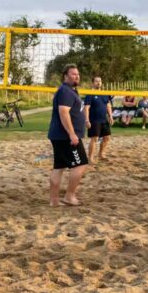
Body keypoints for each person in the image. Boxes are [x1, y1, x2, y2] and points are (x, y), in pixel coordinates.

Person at [48, 65, 89, 207]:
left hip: (59, 135)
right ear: (65, 76)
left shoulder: (70, 90)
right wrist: (72, 134)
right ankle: (69, 196)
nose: (76, 76)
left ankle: (54, 200)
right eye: (73, 74)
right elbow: (63, 112)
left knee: (59, 167)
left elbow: (73, 111)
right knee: (81, 164)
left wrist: (85, 121)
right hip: (66, 137)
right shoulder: (65, 91)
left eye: (78, 74)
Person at [84, 75, 114, 162]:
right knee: (95, 139)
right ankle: (90, 157)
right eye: (96, 81)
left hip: (104, 119)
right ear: (93, 83)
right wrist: (87, 120)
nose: (98, 83)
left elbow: (108, 105)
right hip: (94, 120)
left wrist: (111, 116)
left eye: (100, 81)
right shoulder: (90, 94)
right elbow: (86, 108)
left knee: (107, 137)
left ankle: (101, 154)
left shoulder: (104, 93)